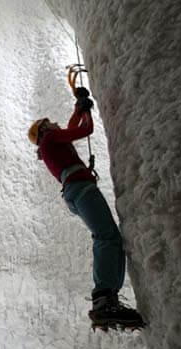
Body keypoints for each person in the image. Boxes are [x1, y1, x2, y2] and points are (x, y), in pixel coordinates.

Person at [28, 88, 144, 329]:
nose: (55, 123)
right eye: (50, 122)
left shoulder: (51, 142)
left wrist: (78, 108)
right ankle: (104, 299)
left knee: (110, 237)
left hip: (76, 191)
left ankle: (108, 297)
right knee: (106, 236)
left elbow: (70, 129)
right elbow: (85, 130)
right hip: (81, 188)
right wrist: (87, 113)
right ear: (43, 130)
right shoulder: (50, 139)